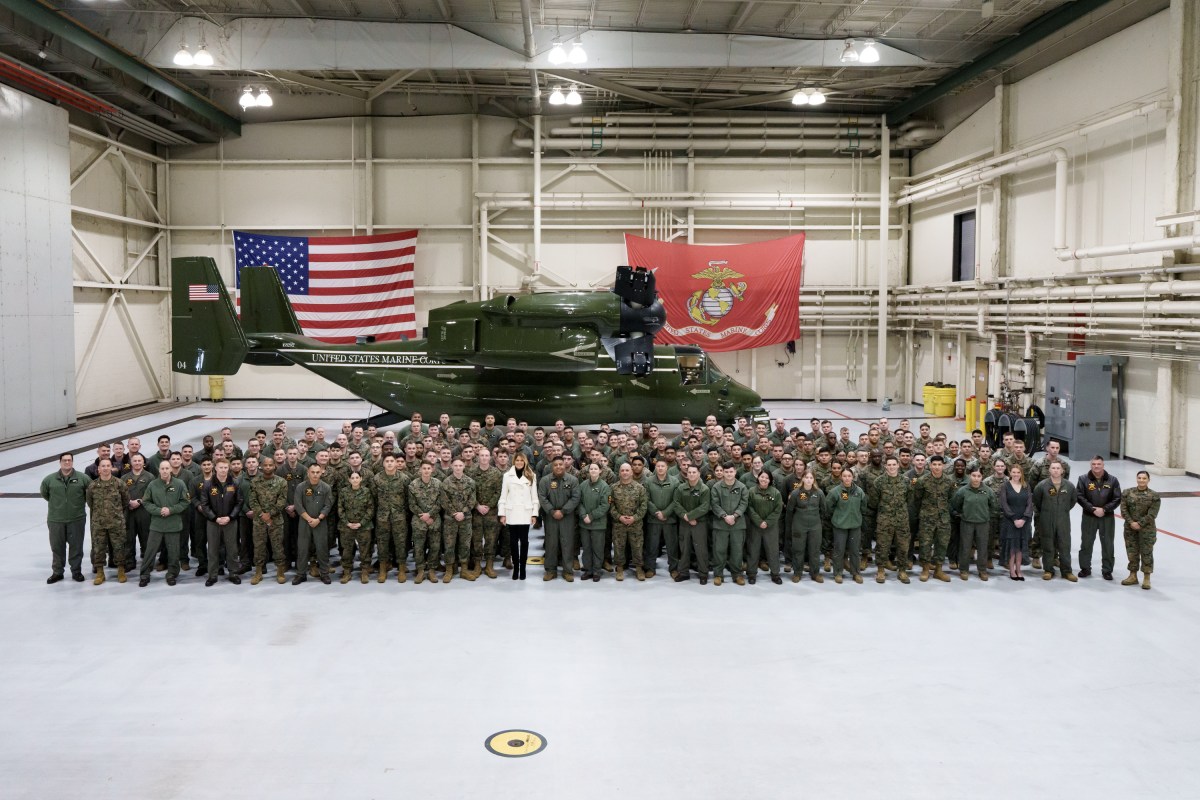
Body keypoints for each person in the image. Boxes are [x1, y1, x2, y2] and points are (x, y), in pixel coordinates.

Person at [40, 453, 91, 584]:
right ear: (60, 462)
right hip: (56, 520)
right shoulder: (49, 480)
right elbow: (45, 494)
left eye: (69, 460)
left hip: (77, 519)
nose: (67, 462)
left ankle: (76, 571)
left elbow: (89, 495)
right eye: (64, 460)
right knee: (57, 547)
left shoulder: (83, 478)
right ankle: (57, 572)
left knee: (76, 547)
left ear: (72, 462)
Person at [138, 461, 191, 587]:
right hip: (157, 524)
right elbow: (146, 502)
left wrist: (171, 510)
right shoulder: (153, 485)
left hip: (173, 524)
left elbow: (185, 501)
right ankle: (144, 575)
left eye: (167, 468)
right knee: (150, 551)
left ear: (171, 469)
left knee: (174, 552)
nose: (165, 471)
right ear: (159, 470)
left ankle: (172, 574)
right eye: (163, 468)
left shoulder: (179, 484)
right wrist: (158, 511)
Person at [867, 456, 912, 584]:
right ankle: (881, 570)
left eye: (894, 464)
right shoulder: (879, 482)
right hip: (884, 519)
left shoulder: (906, 481)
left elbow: (909, 499)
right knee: (882, 546)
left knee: (903, 546)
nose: (892, 467)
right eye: (889, 465)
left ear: (898, 465)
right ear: (885, 466)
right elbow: (874, 502)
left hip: (902, 519)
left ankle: (902, 571)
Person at [1075, 456, 1121, 580]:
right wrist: (1092, 509)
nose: (1096, 466)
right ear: (1091, 465)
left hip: (1107, 517)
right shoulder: (1083, 479)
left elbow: (1117, 498)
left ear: (1103, 465)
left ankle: (1107, 570)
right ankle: (1085, 568)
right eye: (1094, 464)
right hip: (1089, 516)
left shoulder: (1113, 480)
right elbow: (1079, 496)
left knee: (1108, 544)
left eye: (1099, 464)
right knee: (1086, 543)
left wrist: (1105, 509)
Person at [84, 458, 128, 584]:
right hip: (99, 523)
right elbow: (90, 503)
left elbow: (125, 501)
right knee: (99, 548)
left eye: (108, 465)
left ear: (111, 468)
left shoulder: (119, 484)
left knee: (119, 546)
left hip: (116, 522)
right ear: (99, 469)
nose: (105, 468)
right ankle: (100, 572)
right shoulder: (92, 486)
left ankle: (120, 570)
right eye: (103, 466)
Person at [198, 460, 242, 586]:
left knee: (232, 549)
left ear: (228, 468)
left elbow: (239, 502)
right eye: (220, 467)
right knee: (212, 549)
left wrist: (230, 517)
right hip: (213, 522)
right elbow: (204, 504)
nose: (223, 470)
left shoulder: (234, 483)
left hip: (230, 522)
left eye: (225, 467)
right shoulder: (207, 484)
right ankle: (212, 575)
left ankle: (233, 573)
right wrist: (214, 518)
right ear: (215, 468)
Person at [1033, 461, 1078, 582]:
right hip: (1046, 519)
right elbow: (1037, 501)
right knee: (1048, 545)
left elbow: (1073, 501)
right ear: (1049, 470)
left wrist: (1062, 510)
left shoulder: (1069, 486)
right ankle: (1048, 570)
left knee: (1064, 545)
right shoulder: (1042, 485)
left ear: (1062, 471)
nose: (1056, 470)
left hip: (1063, 519)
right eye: (1053, 468)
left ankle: (1067, 571)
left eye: (1058, 468)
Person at [951, 467, 998, 581]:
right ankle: (963, 569)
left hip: (983, 523)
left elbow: (994, 506)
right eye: (973, 475)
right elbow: (956, 504)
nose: (976, 478)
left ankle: (982, 570)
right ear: (969, 476)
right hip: (967, 523)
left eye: (978, 476)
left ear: (982, 477)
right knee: (965, 547)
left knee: (982, 548)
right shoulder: (963, 491)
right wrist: (963, 514)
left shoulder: (988, 491)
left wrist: (986, 516)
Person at [538, 456, 580, 582]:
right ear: (552, 466)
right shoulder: (545, 481)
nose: (558, 467)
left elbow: (575, 497)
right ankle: (551, 570)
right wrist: (551, 511)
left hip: (567, 517)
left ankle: (567, 571)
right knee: (551, 543)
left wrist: (563, 511)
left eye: (560, 464)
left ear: (565, 465)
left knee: (567, 543)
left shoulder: (573, 480)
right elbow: (542, 497)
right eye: (555, 465)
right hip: (551, 517)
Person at [914, 455, 956, 582]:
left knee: (942, 544)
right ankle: (925, 569)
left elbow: (951, 499)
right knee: (925, 544)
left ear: (943, 465)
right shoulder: (922, 481)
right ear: (930, 465)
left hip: (943, 518)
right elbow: (917, 499)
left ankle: (938, 570)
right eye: (934, 465)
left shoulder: (949, 481)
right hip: (927, 518)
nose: (937, 467)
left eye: (939, 465)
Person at [498, 452, 538, 581]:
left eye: (522, 460)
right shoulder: (507, 476)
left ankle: (523, 567)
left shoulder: (531, 475)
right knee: (513, 542)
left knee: (524, 542)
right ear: (514, 461)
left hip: (525, 513)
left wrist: (534, 514)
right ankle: (516, 567)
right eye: (517, 460)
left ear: (525, 461)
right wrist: (502, 514)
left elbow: (534, 497)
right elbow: (503, 496)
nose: (519, 462)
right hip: (512, 512)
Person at [294, 464, 334, 585]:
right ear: (308, 473)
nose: (315, 474)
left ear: (321, 473)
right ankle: (301, 574)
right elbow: (298, 505)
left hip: (320, 522)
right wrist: (309, 519)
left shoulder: (326, 487)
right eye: (313, 472)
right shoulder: (301, 487)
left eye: (317, 472)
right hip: (304, 522)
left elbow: (328, 505)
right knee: (302, 548)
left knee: (322, 548)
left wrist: (318, 519)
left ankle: (324, 573)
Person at [373, 454, 410, 583]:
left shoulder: (404, 479)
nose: (389, 463)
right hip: (382, 517)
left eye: (391, 461)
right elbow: (374, 498)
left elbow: (407, 499)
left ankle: (401, 568)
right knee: (382, 543)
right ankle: (383, 568)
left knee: (400, 543)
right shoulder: (377, 479)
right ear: (383, 464)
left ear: (396, 463)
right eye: (387, 461)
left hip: (399, 517)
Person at [710, 464, 749, 586]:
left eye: (731, 471)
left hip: (737, 524)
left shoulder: (742, 487)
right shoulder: (716, 487)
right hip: (721, 524)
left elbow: (744, 503)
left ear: (735, 472)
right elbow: (714, 504)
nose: (728, 474)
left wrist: (735, 515)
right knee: (719, 550)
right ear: (723, 473)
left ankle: (737, 574)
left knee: (737, 551)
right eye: (726, 472)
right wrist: (724, 516)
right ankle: (718, 574)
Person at [1120, 471, 1160, 590]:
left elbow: (1153, 513)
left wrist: (1140, 523)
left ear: (1148, 480)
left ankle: (1146, 577)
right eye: (1139, 478)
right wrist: (1131, 522)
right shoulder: (1127, 493)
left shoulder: (1154, 496)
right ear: (1136, 479)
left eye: (1144, 478)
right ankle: (1133, 575)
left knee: (1146, 552)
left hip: (1147, 529)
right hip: (1130, 528)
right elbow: (1123, 509)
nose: (1141, 480)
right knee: (1132, 552)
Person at [825, 469, 866, 584]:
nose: (847, 478)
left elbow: (863, 507)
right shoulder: (835, 492)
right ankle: (838, 573)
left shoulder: (859, 491)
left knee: (855, 550)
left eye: (849, 476)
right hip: (840, 526)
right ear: (841, 477)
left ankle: (856, 572)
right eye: (844, 476)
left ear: (853, 477)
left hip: (855, 526)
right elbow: (828, 508)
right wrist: (838, 517)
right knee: (839, 550)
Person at [439, 459, 477, 583]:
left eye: (460, 465)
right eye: (456, 465)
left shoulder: (470, 482)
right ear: (451, 466)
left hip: (466, 518)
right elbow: (444, 501)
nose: (458, 467)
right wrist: (455, 513)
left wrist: (463, 512)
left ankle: (464, 570)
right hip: (450, 519)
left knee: (465, 545)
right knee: (449, 545)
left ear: (464, 466)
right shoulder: (446, 482)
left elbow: (472, 500)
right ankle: (449, 570)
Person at [672, 465, 710, 584]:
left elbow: (704, 507)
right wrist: (686, 516)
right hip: (684, 523)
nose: (692, 474)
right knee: (684, 548)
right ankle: (683, 572)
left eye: (694, 472)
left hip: (699, 524)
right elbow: (676, 504)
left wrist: (691, 516)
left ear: (699, 474)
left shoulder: (704, 489)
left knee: (701, 549)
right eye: (690, 472)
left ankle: (703, 573)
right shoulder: (681, 488)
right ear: (686, 474)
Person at [407, 462, 444, 584]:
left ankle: (432, 570)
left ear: (432, 469)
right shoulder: (413, 485)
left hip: (434, 520)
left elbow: (440, 502)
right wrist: (423, 515)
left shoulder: (438, 484)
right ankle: (421, 570)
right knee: (419, 547)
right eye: (424, 468)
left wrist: (430, 514)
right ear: (420, 470)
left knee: (435, 546)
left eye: (429, 468)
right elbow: (411, 504)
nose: (426, 470)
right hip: (419, 520)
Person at [785, 472, 825, 583]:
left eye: (811, 478)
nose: (808, 480)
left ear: (814, 480)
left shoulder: (819, 493)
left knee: (815, 550)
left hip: (815, 525)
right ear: (802, 479)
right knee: (798, 550)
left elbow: (823, 510)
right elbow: (789, 511)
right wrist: (790, 527)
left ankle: (815, 573)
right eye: (806, 477)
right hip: (799, 525)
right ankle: (797, 573)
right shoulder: (795, 493)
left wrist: (819, 523)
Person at [337, 470, 375, 584]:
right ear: (349, 480)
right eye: (352, 478)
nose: (354, 480)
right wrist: (347, 523)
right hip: (347, 526)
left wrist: (361, 523)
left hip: (363, 526)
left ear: (361, 479)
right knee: (347, 550)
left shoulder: (366, 492)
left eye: (357, 477)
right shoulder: (343, 492)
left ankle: (364, 571)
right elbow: (340, 508)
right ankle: (347, 571)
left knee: (365, 550)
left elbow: (370, 508)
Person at [746, 470, 784, 584]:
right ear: (758, 478)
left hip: (771, 527)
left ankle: (775, 574)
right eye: (762, 477)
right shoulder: (751, 492)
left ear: (770, 480)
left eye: (767, 478)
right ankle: (752, 574)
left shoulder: (775, 493)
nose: (764, 480)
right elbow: (749, 508)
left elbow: (778, 510)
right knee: (753, 550)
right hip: (755, 526)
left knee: (773, 550)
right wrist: (758, 521)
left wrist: (767, 522)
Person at [643, 459, 679, 579]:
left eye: (663, 466)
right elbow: (646, 499)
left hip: (670, 519)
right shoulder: (648, 481)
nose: (660, 468)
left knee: (672, 546)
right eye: (658, 466)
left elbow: (676, 500)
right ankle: (650, 568)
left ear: (667, 467)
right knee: (652, 545)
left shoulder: (674, 481)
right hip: (653, 519)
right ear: (655, 467)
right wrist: (656, 512)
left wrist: (666, 513)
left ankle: (674, 568)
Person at [577, 462, 612, 582]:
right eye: (591, 468)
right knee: (586, 548)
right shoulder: (583, 485)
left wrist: (591, 516)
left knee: (597, 548)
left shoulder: (604, 486)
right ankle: (588, 570)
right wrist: (583, 515)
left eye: (595, 468)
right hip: (584, 523)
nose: (593, 470)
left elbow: (605, 505)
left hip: (598, 524)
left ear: (600, 471)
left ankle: (597, 570)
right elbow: (579, 502)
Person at [999, 464, 1033, 581]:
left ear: (1021, 474)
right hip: (1010, 521)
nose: (1016, 474)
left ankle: (1019, 569)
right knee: (1012, 547)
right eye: (1014, 472)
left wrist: (1024, 519)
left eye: (1018, 472)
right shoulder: (1005, 486)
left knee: (1020, 547)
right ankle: (1012, 570)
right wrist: (1014, 519)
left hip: (1024, 521)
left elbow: (1029, 504)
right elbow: (1004, 504)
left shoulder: (1026, 485)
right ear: (1010, 473)